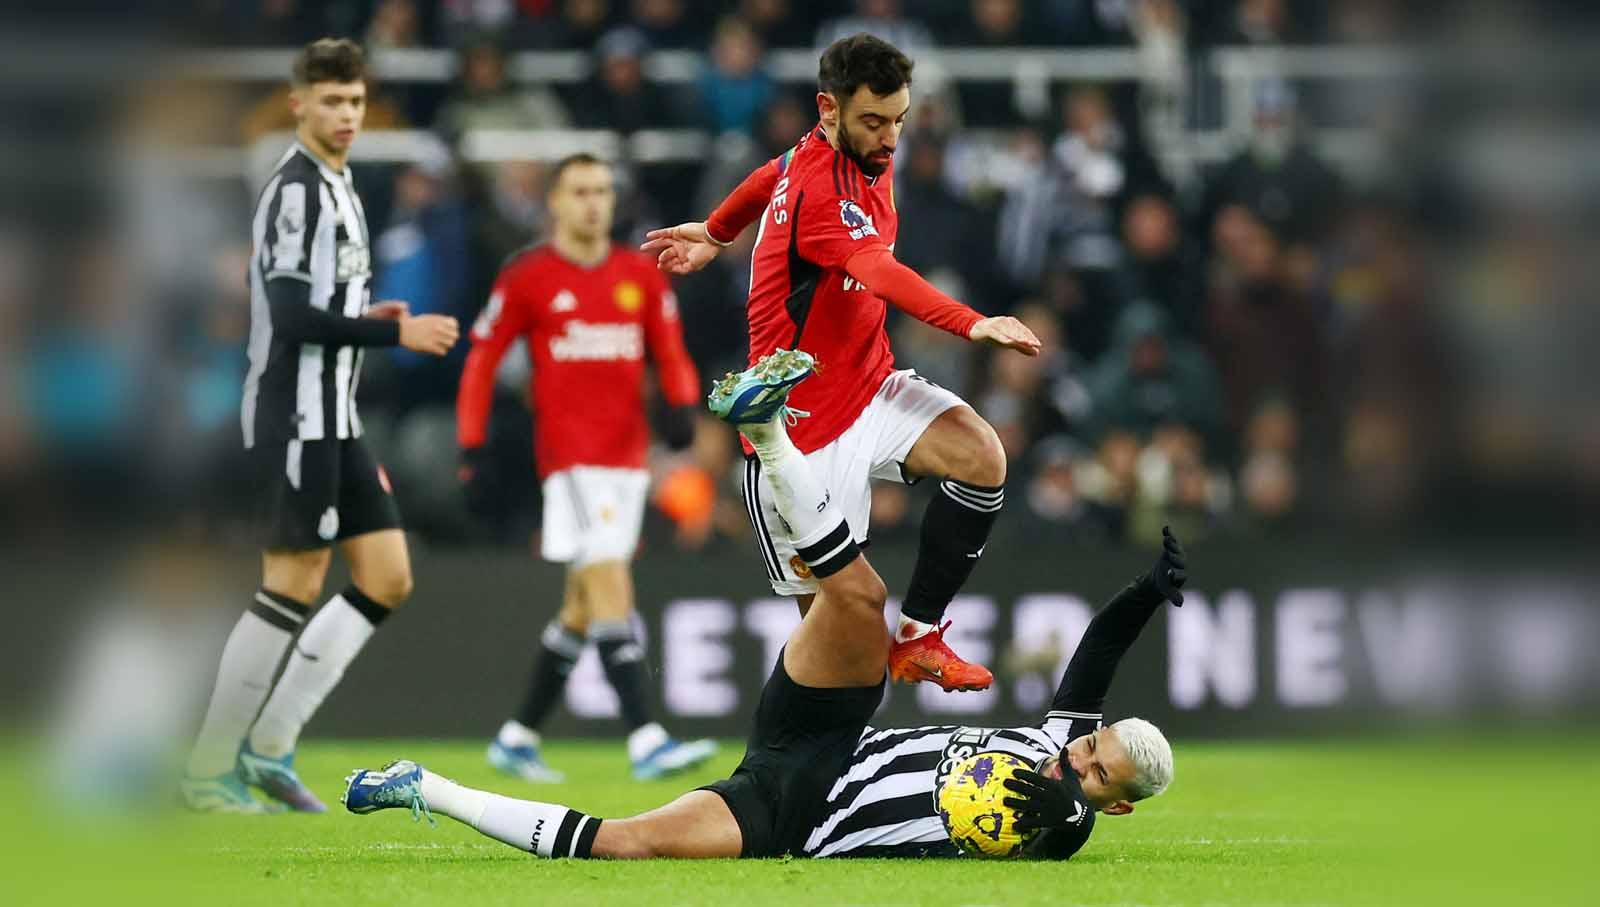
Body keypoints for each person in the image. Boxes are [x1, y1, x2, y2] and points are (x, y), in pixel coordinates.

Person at [342, 452, 1187, 859]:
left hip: (790, 813)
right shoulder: (1060, 741)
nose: (1079, 755)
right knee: (856, 598)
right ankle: (771, 439)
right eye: (1090, 742)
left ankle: (427, 786)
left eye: (1096, 769)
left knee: (622, 845)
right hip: (834, 735)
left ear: (1115, 806)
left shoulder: (1064, 824)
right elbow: (1098, 651)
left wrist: (1061, 810)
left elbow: (1044, 819)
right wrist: (1149, 587)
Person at [640, 33, 1041, 692]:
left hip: (868, 386)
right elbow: (880, 273)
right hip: (799, 433)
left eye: (899, 121)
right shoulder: (824, 193)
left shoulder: (820, 153)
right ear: (828, 109)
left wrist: (715, 232)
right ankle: (790, 773)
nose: (890, 139)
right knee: (842, 658)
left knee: (980, 456)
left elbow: (766, 174)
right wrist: (972, 322)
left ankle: (918, 636)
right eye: (873, 122)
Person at [182, 38, 461, 814]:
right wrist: (391, 336)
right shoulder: (297, 190)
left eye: (357, 102)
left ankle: (269, 748)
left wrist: (364, 316)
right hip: (294, 415)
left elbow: (306, 300)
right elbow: (286, 311)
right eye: (332, 101)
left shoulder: (340, 186)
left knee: (386, 576)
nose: (346, 115)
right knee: (292, 581)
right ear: (300, 103)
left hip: (334, 414)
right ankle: (206, 770)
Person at [456, 153, 716, 783]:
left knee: (583, 602)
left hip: (629, 457)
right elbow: (483, 359)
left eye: (602, 190)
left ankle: (517, 737)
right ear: (555, 202)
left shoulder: (639, 274)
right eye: (580, 191)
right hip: (569, 459)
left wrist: (682, 403)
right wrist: (472, 442)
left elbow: (670, 352)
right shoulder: (528, 276)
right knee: (609, 580)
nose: (594, 202)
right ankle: (647, 737)